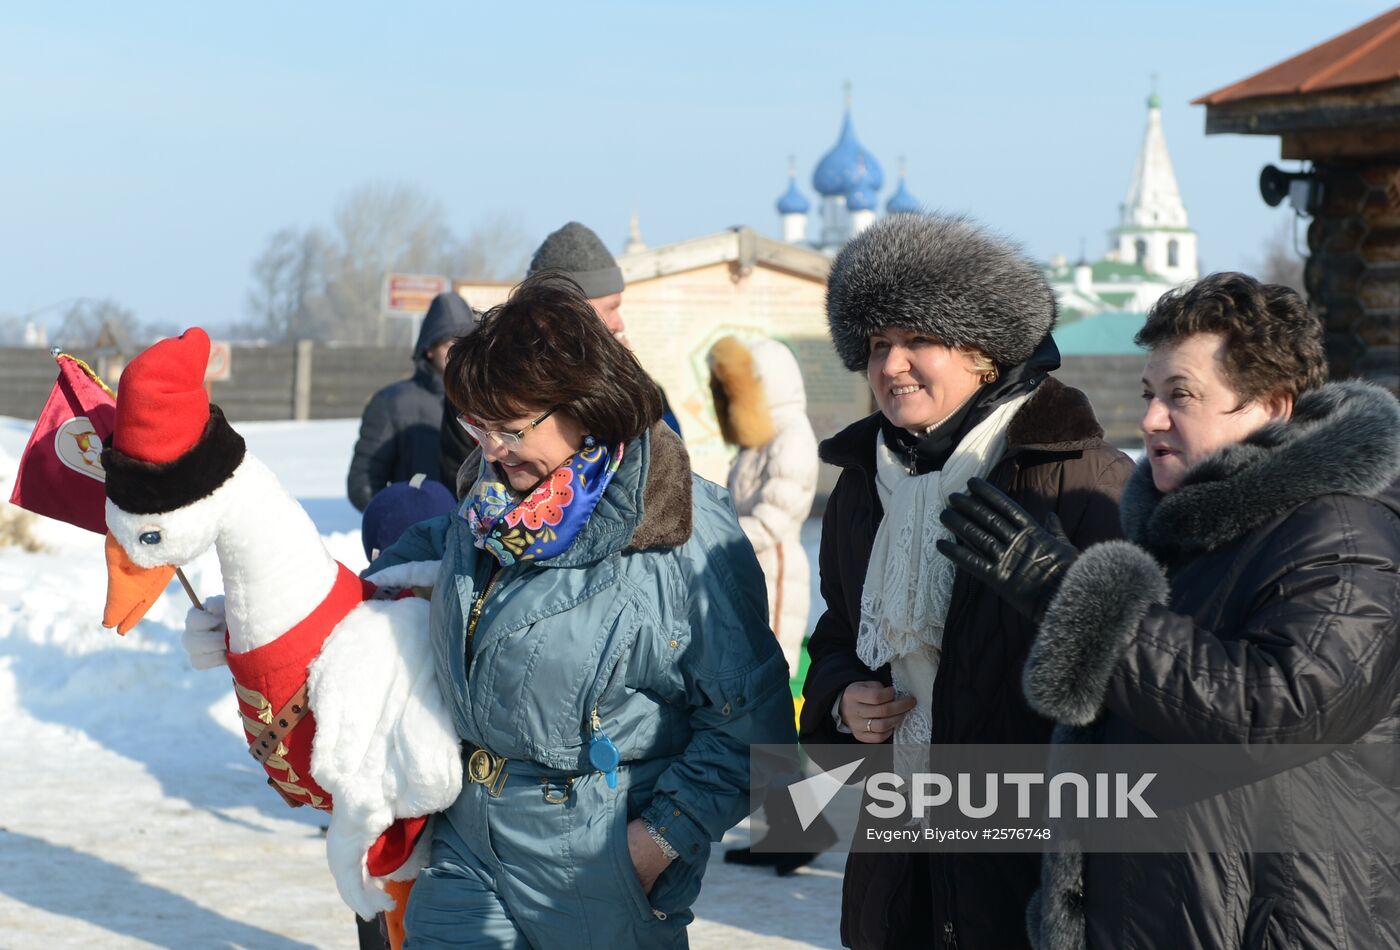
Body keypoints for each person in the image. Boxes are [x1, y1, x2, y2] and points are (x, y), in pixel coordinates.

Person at [938, 272, 1400, 949]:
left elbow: (1274, 711)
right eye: (1149, 395)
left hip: (1279, 926)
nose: (1151, 419)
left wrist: (1064, 591)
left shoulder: (1342, 533)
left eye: (1180, 395)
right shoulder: (1189, 537)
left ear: (1271, 406)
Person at [367, 272, 795, 948]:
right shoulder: (485, 511)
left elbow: (754, 726)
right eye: (479, 428)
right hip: (469, 840)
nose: (491, 451)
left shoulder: (682, 527)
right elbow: (379, 591)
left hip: (599, 857)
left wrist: (654, 843)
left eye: (510, 430)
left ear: (584, 406)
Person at [798, 213, 1134, 950]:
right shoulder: (862, 482)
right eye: (877, 345)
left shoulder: (1080, 476)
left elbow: (1143, 671)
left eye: (919, 339)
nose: (891, 366)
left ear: (984, 352)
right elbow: (839, 630)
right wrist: (842, 696)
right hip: (899, 859)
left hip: (1029, 861)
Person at [706, 334, 832, 875]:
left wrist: (716, 539)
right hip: (749, 575)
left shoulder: (791, 435)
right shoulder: (756, 439)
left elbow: (779, 517)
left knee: (770, 704)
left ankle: (800, 827)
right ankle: (783, 827)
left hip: (775, 576)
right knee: (759, 707)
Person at [439, 222, 680, 497]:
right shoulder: (478, 387)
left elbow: (667, 470)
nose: (618, 323)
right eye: (610, 308)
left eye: (511, 430)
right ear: (570, 313)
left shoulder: (644, 397)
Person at [348, 291, 472, 511]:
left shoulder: (488, 401)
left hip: (475, 533)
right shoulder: (392, 402)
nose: (456, 353)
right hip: (417, 531)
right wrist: (397, 522)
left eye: (463, 343)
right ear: (429, 349)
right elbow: (363, 480)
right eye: (447, 344)